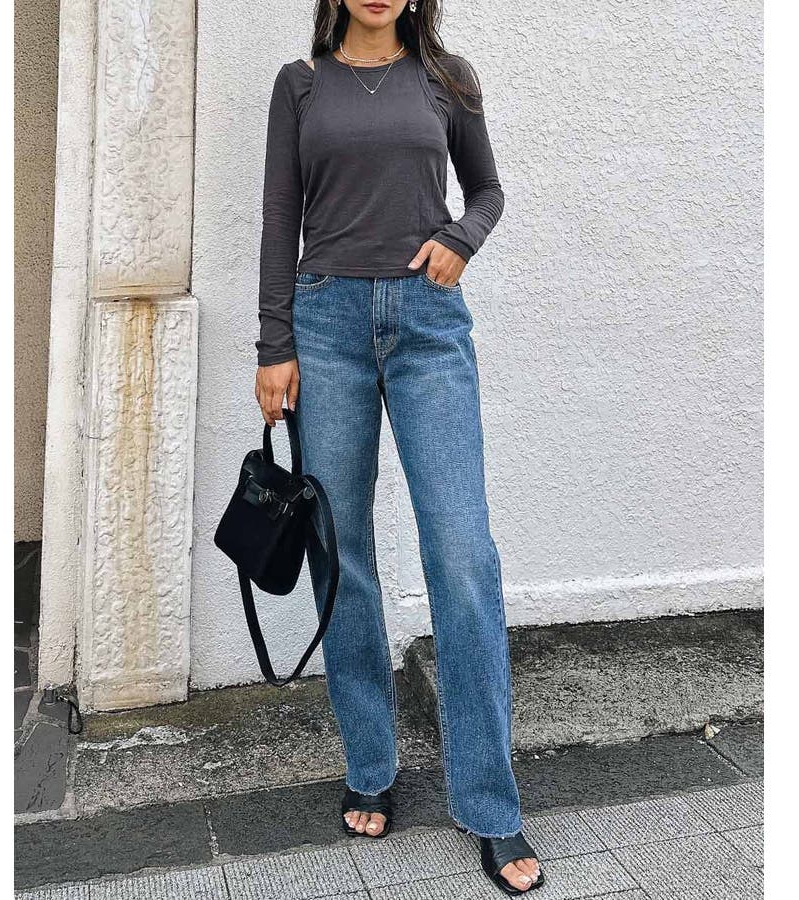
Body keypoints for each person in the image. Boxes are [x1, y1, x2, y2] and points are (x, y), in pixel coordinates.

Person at [254, 1, 544, 894]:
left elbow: (487, 191)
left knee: (462, 552)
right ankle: (370, 765)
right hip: (326, 325)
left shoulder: (448, 79)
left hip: (427, 326)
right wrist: (273, 345)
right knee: (341, 553)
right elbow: (278, 218)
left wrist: (460, 240)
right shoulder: (300, 86)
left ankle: (490, 802)